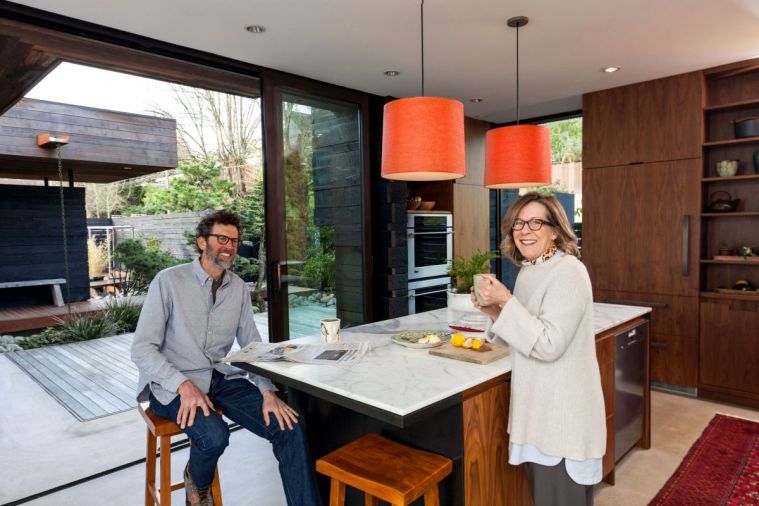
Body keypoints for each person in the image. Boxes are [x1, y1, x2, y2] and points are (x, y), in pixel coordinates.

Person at [131, 210, 320, 506]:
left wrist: (267, 391)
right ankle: (197, 484)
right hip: (171, 384)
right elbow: (142, 349)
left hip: (220, 378)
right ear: (202, 242)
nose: (229, 246)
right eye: (222, 239)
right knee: (214, 436)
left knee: (288, 427)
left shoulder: (239, 289)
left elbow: (251, 346)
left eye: (233, 241)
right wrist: (183, 385)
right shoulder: (168, 281)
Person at [473, 192, 605, 506]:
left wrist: (506, 301)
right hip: (539, 414)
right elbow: (526, 336)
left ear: (555, 230)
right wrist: (496, 312)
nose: (524, 231)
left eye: (535, 222)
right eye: (518, 223)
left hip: (562, 419)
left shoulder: (569, 271)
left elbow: (548, 345)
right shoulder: (530, 271)